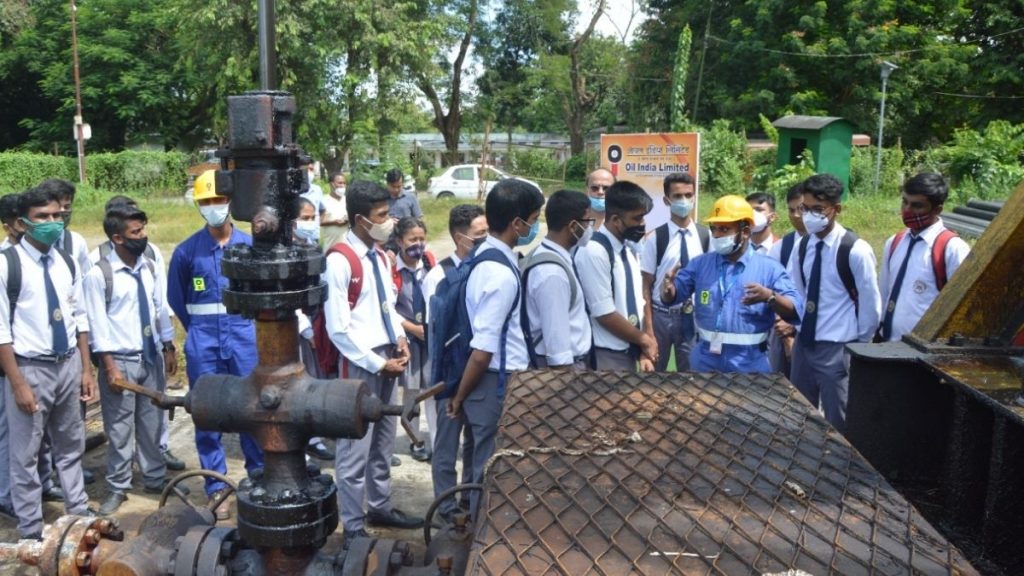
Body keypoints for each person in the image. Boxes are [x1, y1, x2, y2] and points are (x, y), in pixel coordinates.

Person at [324, 180, 421, 542]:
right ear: (361, 219)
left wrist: (399, 339)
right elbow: (339, 329)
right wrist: (378, 363)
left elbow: (386, 307)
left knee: (382, 440)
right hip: (360, 364)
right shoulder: (340, 260)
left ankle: (379, 505)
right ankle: (352, 526)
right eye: (383, 215)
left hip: (387, 356)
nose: (391, 221)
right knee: (354, 449)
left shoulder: (380, 256)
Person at [0, 187, 97, 539]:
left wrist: (86, 369)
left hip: (67, 363)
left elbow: (79, 317)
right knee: (25, 455)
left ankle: (79, 513)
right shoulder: (6, 265)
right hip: (30, 368)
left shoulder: (65, 261)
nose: (53, 223)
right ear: (22, 223)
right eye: (43, 217)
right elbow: (1, 334)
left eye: (57, 215)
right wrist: (18, 384)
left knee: (71, 445)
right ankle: (30, 529)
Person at [167, 170, 264, 519]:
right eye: (207, 202)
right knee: (206, 414)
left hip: (244, 339)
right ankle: (216, 486)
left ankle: (257, 476)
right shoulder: (185, 253)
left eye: (219, 200)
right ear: (199, 207)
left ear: (230, 202)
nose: (214, 207)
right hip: (203, 342)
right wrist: (199, 333)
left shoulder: (251, 248)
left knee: (253, 408)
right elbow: (178, 301)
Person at [445, 178, 544, 517]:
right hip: (493, 383)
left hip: (485, 381)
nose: (535, 226)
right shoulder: (499, 274)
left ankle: (473, 528)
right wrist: (459, 397)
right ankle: (481, 539)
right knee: (492, 469)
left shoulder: (483, 254)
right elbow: (484, 348)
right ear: (517, 224)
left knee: (478, 462)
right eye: (533, 219)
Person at [86, 206, 184, 514]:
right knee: (119, 428)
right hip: (121, 360)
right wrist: (109, 366)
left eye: (143, 230)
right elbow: (97, 325)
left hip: (150, 355)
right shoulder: (99, 274)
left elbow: (159, 307)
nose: (143, 237)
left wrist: (168, 346)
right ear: (117, 238)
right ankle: (118, 486)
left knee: (151, 422)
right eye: (135, 233)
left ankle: (155, 478)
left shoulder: (149, 266)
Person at [659, 195, 802, 373]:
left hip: (749, 364)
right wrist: (668, 289)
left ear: (746, 232)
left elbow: (795, 308)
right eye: (714, 229)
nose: (717, 235)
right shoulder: (700, 264)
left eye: (724, 229)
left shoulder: (769, 268)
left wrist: (770, 297)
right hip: (705, 361)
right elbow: (673, 295)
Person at [788, 174, 881, 431]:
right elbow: (797, 291)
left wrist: (857, 347)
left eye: (818, 210)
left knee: (838, 418)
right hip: (804, 345)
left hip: (837, 348)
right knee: (799, 415)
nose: (808, 216)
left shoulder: (855, 250)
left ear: (836, 209)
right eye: (805, 208)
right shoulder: (803, 246)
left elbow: (870, 305)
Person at [427, 203, 486, 522]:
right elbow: (435, 334)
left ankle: (468, 499)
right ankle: (446, 508)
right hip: (450, 376)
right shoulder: (439, 274)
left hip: (477, 374)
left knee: (475, 445)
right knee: (447, 447)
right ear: (459, 237)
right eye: (480, 235)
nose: (485, 239)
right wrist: (446, 385)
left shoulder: (483, 268)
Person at [574, 180, 656, 372]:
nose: (642, 224)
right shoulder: (594, 251)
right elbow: (604, 312)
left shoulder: (627, 249)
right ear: (616, 220)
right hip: (606, 356)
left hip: (629, 351)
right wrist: (644, 339)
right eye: (637, 219)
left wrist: (645, 342)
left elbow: (638, 301)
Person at [878, 172, 970, 342]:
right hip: (885, 343)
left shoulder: (952, 249)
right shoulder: (894, 242)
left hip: (921, 353)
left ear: (937, 209)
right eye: (904, 202)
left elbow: (962, 308)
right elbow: (883, 293)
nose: (907, 210)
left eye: (917, 206)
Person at [640, 173, 707, 372]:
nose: (684, 201)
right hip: (661, 317)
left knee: (692, 377)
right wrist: (649, 331)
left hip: (693, 317)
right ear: (666, 200)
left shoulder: (706, 236)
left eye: (689, 195)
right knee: (655, 376)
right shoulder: (655, 238)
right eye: (678, 196)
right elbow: (646, 287)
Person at [522, 190, 593, 369]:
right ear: (572, 226)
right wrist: (567, 389)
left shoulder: (554, 256)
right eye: (587, 222)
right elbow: (558, 352)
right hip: (563, 371)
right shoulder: (552, 273)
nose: (590, 228)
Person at [393, 217, 436, 462]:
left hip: (429, 337)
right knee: (411, 391)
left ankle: (437, 437)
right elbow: (387, 308)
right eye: (412, 240)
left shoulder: (429, 262)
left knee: (432, 388)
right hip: (407, 339)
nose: (418, 244)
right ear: (399, 241)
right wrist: (411, 328)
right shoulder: (392, 270)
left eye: (421, 239)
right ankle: (415, 439)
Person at [767, 183, 808, 376]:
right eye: (792, 210)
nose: (796, 215)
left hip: (813, 330)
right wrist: (786, 336)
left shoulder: (832, 247)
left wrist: (796, 325)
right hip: (781, 328)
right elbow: (772, 291)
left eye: (801, 209)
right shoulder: (781, 248)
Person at [321, 171, 349, 252]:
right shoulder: (323, 200)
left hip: (347, 246)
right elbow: (319, 221)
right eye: (340, 183)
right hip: (330, 245)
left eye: (344, 183)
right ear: (331, 184)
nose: (343, 186)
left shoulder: (348, 200)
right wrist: (334, 222)